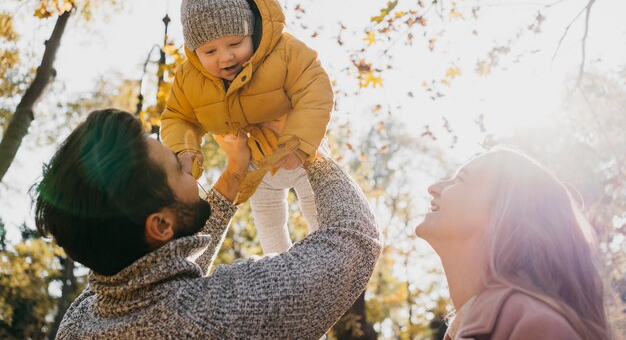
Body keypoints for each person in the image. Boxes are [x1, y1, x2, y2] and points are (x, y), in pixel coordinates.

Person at [33, 109, 381, 340]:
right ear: (159, 225)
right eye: (175, 166)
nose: (188, 165)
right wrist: (305, 148)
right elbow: (353, 240)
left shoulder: (80, 321)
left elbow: (156, 277)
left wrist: (232, 177)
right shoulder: (220, 314)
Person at [160, 0, 334, 255]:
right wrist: (185, 150)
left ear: (250, 31)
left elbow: (314, 87)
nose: (225, 57)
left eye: (235, 44)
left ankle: (329, 263)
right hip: (255, 163)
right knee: (269, 224)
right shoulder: (189, 78)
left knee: (320, 213)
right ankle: (282, 272)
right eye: (210, 51)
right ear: (194, 50)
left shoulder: (284, 51)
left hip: (302, 152)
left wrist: (301, 140)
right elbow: (178, 117)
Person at [415, 148, 613, 340]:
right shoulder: (489, 324)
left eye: (460, 179)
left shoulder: (537, 327)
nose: (433, 188)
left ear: (502, 215)